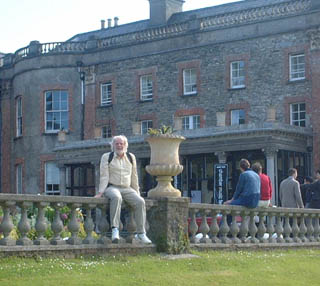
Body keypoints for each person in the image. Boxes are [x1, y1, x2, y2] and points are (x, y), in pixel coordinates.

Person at [95, 135, 152, 244]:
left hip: (127, 188)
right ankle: (115, 230)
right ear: (113, 145)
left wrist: (137, 193)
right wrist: (100, 192)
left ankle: (141, 233)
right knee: (116, 197)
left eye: (122, 143)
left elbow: (134, 177)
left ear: (125, 145)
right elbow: (104, 176)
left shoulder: (131, 157)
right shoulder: (107, 157)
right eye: (117, 143)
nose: (119, 145)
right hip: (112, 187)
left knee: (140, 202)